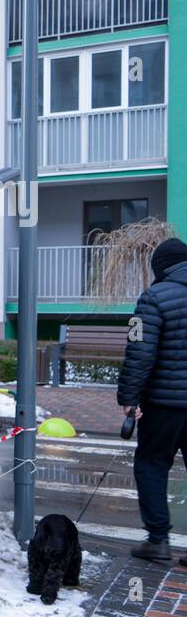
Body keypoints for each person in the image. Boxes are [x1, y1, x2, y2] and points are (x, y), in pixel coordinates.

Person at [117, 237, 187, 565]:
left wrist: (129, 399)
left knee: (152, 465)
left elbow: (139, 353)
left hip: (164, 406)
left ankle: (158, 540)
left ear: (160, 267)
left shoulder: (152, 298)